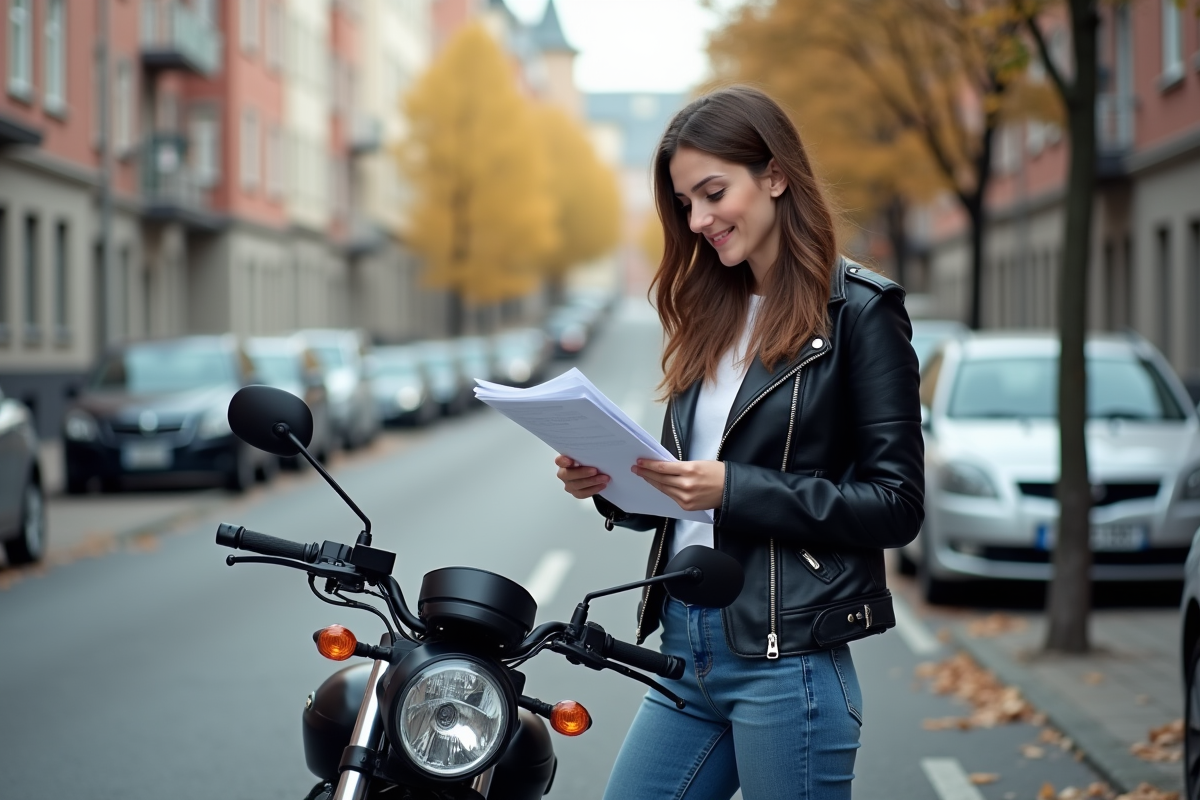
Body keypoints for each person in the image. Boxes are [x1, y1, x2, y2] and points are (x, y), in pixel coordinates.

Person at [552, 85, 924, 800]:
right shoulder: (709, 316)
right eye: (685, 203)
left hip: (787, 664)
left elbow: (896, 503)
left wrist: (734, 489)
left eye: (713, 192)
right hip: (683, 650)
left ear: (776, 175)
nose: (698, 220)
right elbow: (682, 491)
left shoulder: (863, 315)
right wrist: (610, 483)